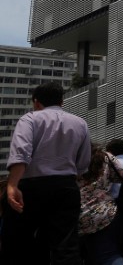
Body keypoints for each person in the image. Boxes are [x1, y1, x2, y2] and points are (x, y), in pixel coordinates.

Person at [1, 81, 91, 265]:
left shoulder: (30, 119)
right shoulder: (80, 123)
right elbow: (83, 163)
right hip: (66, 187)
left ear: (36, 102)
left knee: (18, 241)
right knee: (66, 245)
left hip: (31, 187)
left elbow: (21, 153)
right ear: (61, 102)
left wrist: (12, 185)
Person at [78, 144, 123, 265]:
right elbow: (122, 173)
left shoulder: (70, 159)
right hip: (108, 212)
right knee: (109, 255)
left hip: (81, 216)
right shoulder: (106, 156)